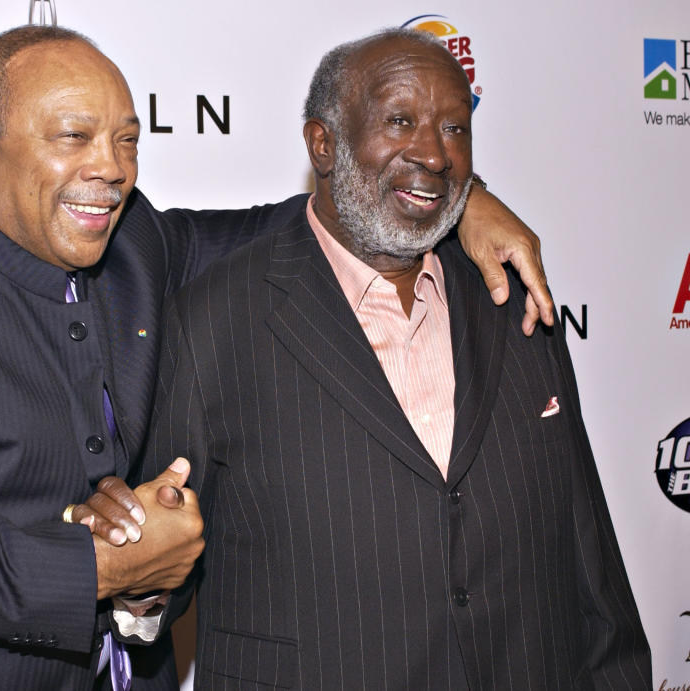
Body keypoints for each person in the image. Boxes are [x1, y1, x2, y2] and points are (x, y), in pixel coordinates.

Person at [0, 25, 552, 690]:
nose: (112, 167)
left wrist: (455, 199)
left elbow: (297, 225)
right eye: (74, 137)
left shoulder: (135, 243)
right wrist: (89, 567)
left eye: (127, 140)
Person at [121, 28, 651, 689]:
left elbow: (587, 552)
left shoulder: (514, 300)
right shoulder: (212, 321)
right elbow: (160, 563)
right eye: (400, 120)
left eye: (455, 128)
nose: (433, 151)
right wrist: (137, 587)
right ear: (322, 143)